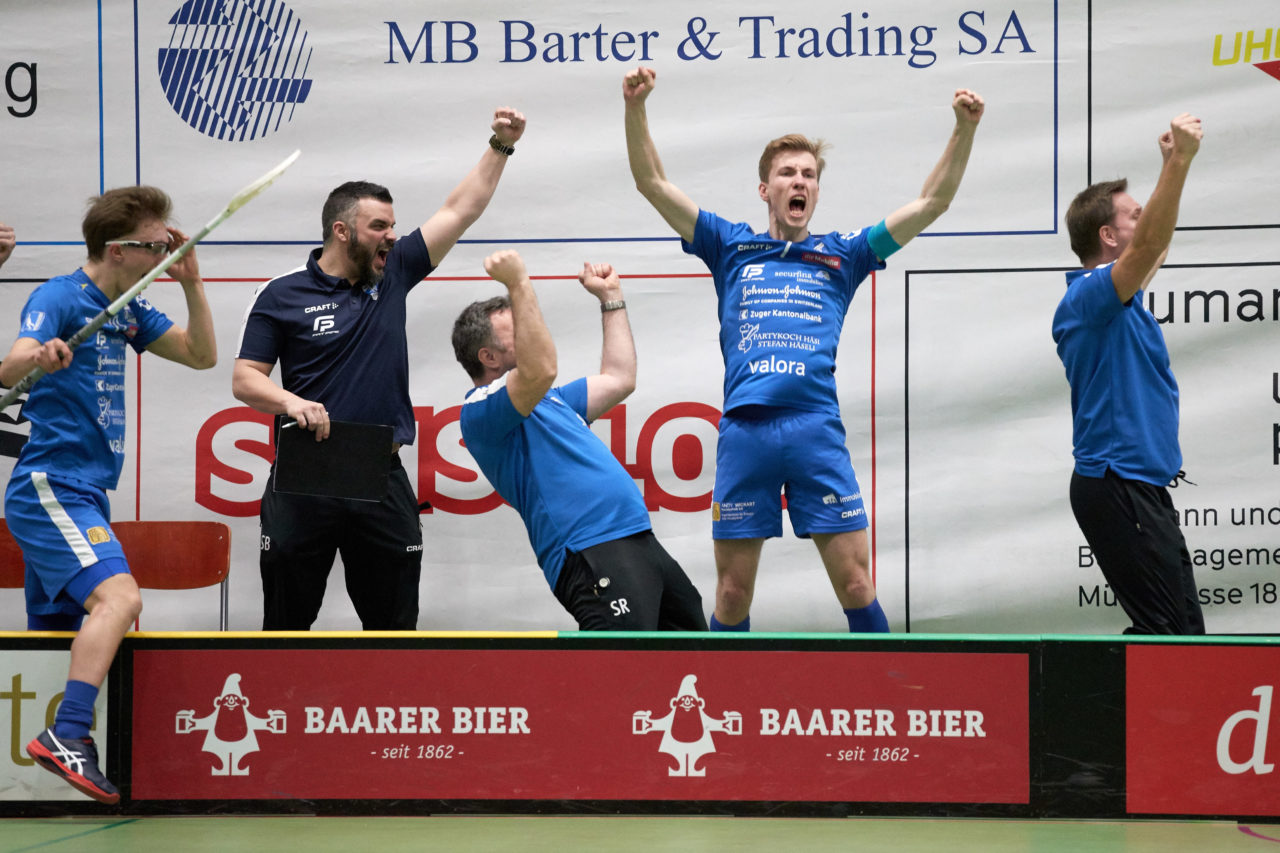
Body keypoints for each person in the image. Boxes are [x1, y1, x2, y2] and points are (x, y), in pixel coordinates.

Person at [622, 66, 984, 633]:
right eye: (787, 173)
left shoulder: (846, 253)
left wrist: (964, 129)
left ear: (816, 190)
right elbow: (652, 184)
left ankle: (883, 702)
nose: (800, 182)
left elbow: (932, 202)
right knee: (733, 593)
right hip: (746, 432)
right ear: (765, 189)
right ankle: (725, 710)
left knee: (858, 585)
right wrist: (635, 108)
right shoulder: (728, 243)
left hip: (815, 429)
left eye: (809, 174)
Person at [233, 107, 526, 631]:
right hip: (306, 473)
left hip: (380, 470)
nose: (393, 235)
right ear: (342, 231)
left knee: (393, 631)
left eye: (394, 225)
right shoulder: (280, 295)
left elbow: (462, 208)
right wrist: (292, 403)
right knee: (285, 626)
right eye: (380, 226)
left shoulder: (394, 273)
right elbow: (245, 379)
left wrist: (500, 144)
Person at [3, 187, 216, 802]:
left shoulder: (127, 307)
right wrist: (39, 355)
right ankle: (69, 734)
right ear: (117, 249)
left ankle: (28, 790)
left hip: (89, 492)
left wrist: (191, 283)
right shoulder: (60, 296)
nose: (161, 253)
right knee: (121, 601)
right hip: (51, 485)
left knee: (57, 630)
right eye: (153, 245)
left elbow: (201, 356)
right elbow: (10, 364)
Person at [452, 250, 707, 631]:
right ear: (488, 356)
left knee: (697, 667)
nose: (533, 330)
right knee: (622, 676)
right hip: (588, 550)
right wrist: (519, 282)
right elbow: (542, 369)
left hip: (638, 540)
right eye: (519, 330)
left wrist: (611, 298)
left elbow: (620, 377)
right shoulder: (480, 411)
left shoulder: (550, 399)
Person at [1053, 114, 1206, 635]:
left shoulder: (1121, 298)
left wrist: (1169, 166)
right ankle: (1102, 718)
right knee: (1166, 636)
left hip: (1140, 487)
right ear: (1107, 236)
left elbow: (1155, 248)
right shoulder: (1090, 297)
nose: (1145, 222)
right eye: (1133, 215)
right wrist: (1180, 163)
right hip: (1117, 485)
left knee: (1185, 634)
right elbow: (1148, 248)